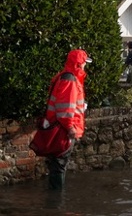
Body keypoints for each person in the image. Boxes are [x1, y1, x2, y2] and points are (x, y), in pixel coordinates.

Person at [45, 49, 92, 190]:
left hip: (58, 126)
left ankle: (55, 200)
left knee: (57, 164)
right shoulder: (70, 79)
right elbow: (65, 107)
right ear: (79, 63)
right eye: (84, 63)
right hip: (63, 130)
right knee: (59, 165)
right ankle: (56, 202)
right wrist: (70, 128)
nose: (85, 66)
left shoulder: (64, 76)